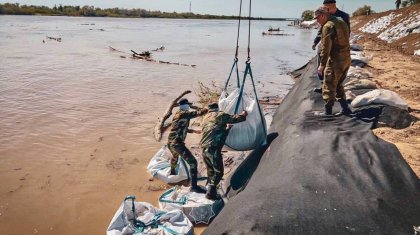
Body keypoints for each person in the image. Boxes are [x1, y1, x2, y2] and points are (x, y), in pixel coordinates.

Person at [200, 103, 247, 200]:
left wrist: (228, 129)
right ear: (217, 109)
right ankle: (210, 193)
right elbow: (237, 118)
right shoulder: (220, 115)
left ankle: (210, 188)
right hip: (213, 148)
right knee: (219, 172)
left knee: (210, 170)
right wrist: (243, 114)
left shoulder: (205, 118)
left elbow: (216, 132)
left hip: (204, 149)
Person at [314, 6, 352, 116]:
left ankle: (328, 112)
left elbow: (325, 47)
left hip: (335, 60)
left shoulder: (328, 26)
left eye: (317, 18)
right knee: (339, 83)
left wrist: (322, 64)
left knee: (328, 84)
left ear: (322, 15)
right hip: (346, 58)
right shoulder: (341, 22)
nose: (317, 21)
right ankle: (345, 108)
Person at [167, 98, 208, 193]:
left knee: (175, 157)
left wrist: (193, 131)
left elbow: (180, 127)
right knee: (193, 162)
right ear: (183, 105)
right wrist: (207, 108)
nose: (189, 106)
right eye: (188, 105)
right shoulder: (183, 114)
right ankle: (194, 187)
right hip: (177, 144)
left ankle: (172, 172)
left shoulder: (178, 114)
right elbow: (198, 113)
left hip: (170, 142)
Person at [312, 0, 350, 93]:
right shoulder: (325, 15)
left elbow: (347, 32)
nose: (324, 8)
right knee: (321, 62)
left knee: (332, 68)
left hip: (336, 46)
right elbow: (321, 30)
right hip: (325, 42)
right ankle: (323, 85)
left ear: (333, 5)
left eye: (326, 7)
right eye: (324, 7)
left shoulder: (343, 16)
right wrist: (315, 41)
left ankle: (333, 91)